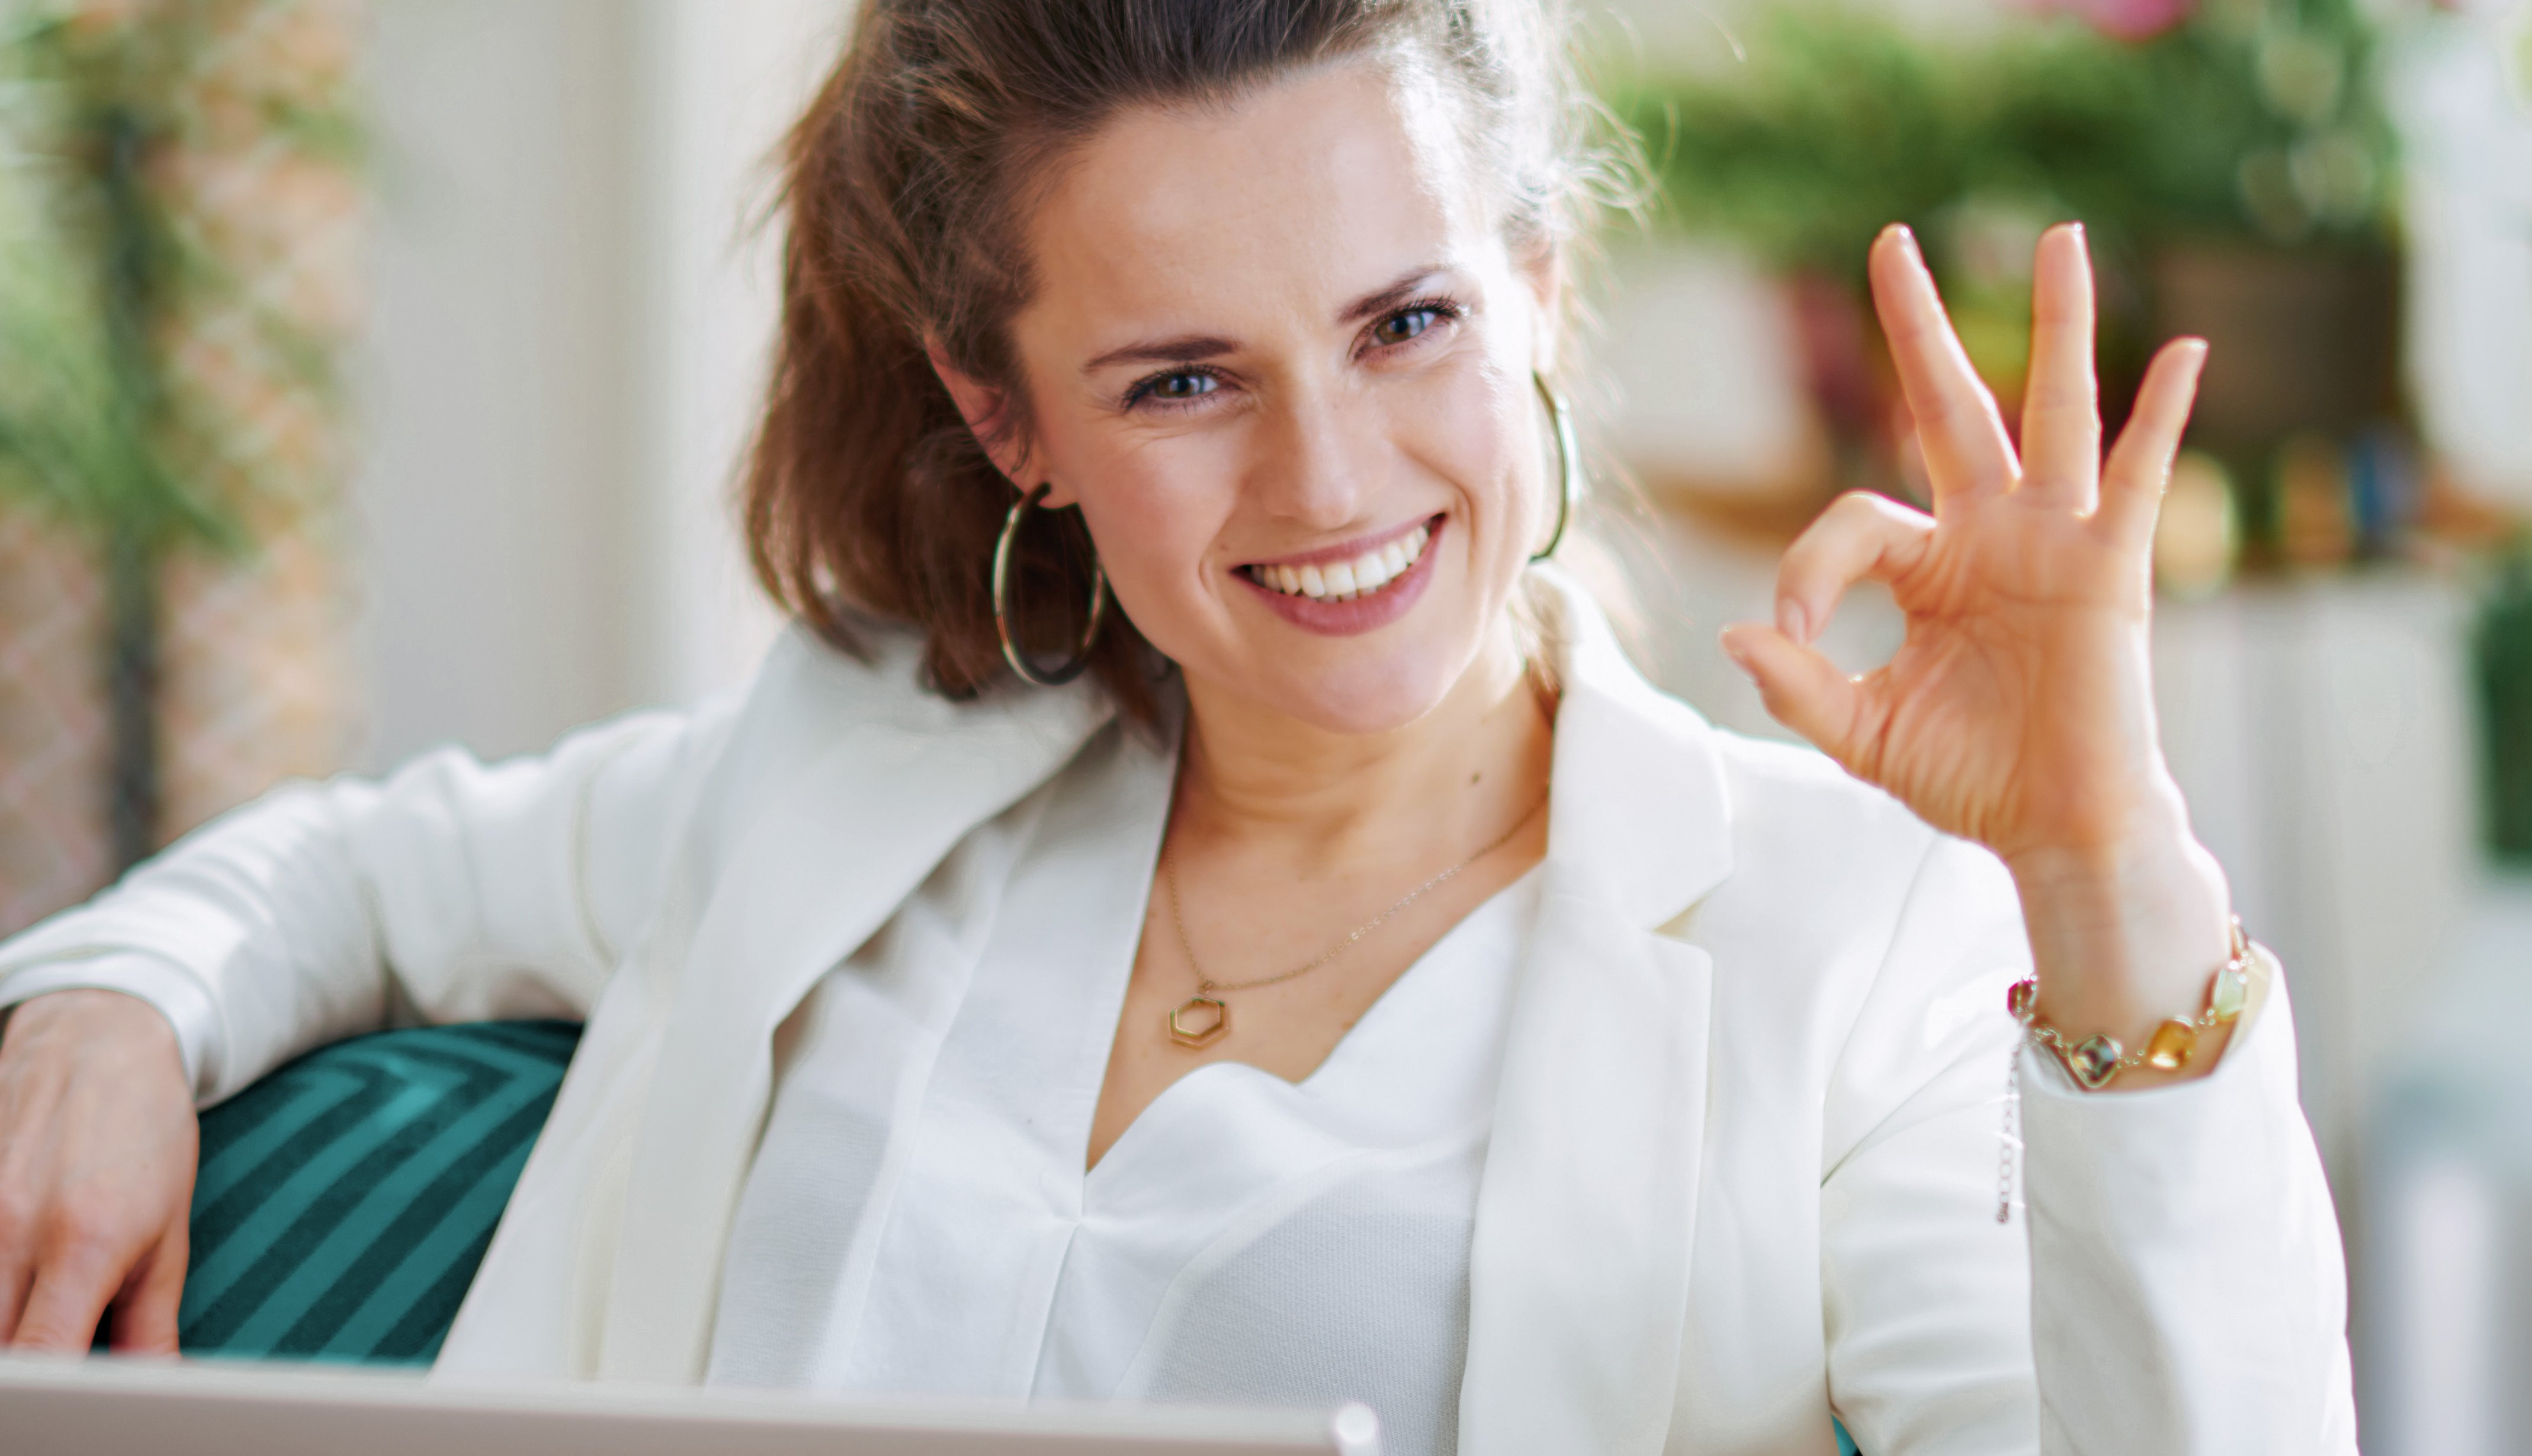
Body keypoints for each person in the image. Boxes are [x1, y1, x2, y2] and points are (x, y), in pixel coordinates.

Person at [0, 1, 2351, 1452]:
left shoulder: (1850, 951)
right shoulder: (852, 767)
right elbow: (354, 873)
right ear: (1006, 417)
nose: (1329, 484)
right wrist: (113, 995)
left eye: (1405, 322)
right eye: (1183, 379)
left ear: (1538, 286)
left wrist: (2106, 870)